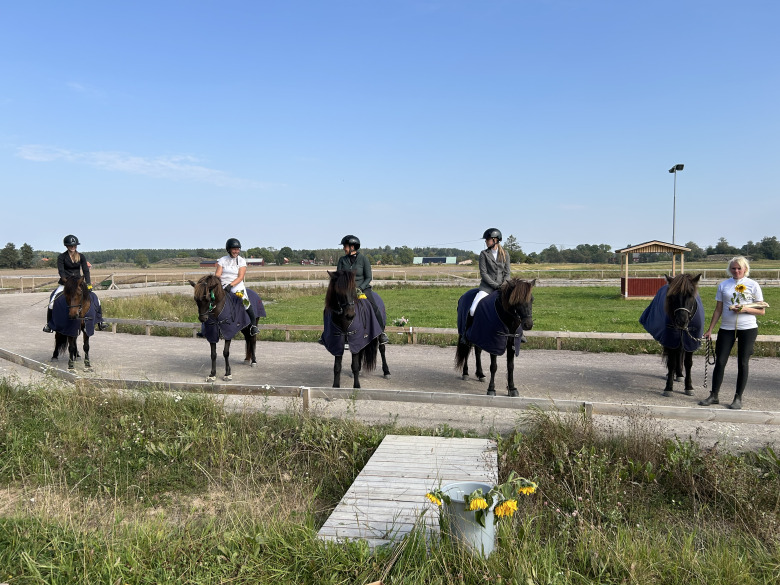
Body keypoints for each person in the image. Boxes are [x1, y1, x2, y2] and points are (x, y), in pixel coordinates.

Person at [699, 256, 765, 410]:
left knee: (742, 362)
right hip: (727, 329)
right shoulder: (723, 285)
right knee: (720, 361)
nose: (736, 271)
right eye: (733, 268)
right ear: (730, 269)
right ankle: (714, 395)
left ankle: (738, 397)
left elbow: (761, 311)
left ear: (745, 269)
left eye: (739, 268)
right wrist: (710, 330)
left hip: (748, 328)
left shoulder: (753, 285)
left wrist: (745, 309)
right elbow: (718, 309)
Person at [44, 234, 107, 332]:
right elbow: (61, 271)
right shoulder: (62, 257)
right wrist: (66, 281)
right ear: (66, 246)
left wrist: (89, 284)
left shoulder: (81, 256)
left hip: (79, 282)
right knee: (52, 302)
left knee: (96, 299)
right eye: (71, 246)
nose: (73, 247)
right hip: (66, 283)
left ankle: (100, 322)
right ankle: (49, 324)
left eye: (74, 245)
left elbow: (86, 270)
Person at [336, 235, 389, 344]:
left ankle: (381, 333)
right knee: (332, 306)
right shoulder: (342, 260)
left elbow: (368, 277)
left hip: (363, 289)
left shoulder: (363, 259)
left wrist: (360, 288)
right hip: (346, 291)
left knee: (374, 306)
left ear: (352, 247)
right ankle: (329, 334)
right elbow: (338, 275)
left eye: (345, 246)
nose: (343, 248)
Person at [462, 228, 512, 341]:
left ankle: (519, 334)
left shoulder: (505, 254)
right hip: (487, 288)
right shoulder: (484, 254)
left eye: (488, 239)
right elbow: (483, 273)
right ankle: (466, 333)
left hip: (503, 287)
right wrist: (495, 285)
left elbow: (507, 272)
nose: (486, 241)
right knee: (473, 309)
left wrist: (503, 285)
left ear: (495, 240)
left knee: (516, 307)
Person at [214, 238, 259, 337]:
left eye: (238, 249)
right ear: (228, 249)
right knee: (210, 299)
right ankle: (207, 327)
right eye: (234, 249)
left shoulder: (241, 261)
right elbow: (217, 274)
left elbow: (240, 277)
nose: (236, 251)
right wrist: (217, 284)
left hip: (236, 285)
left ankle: (253, 326)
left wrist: (231, 285)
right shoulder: (222, 260)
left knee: (244, 300)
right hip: (222, 284)